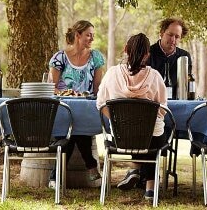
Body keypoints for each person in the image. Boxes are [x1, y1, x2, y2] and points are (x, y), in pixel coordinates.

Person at [96, 33, 168, 201]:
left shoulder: (112, 74)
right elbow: (163, 109)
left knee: (137, 134)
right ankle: (150, 188)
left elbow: (100, 104)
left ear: (125, 50)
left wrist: (117, 122)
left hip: (121, 138)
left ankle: (134, 169)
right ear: (147, 54)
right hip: (151, 139)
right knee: (153, 133)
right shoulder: (155, 76)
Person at [47, 20, 105, 188]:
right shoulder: (59, 58)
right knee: (72, 130)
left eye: (93, 35)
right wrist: (69, 94)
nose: (91, 39)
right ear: (77, 35)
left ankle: (55, 177)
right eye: (88, 35)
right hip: (63, 107)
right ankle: (91, 165)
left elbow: (97, 87)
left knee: (70, 133)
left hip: (87, 108)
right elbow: (53, 87)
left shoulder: (96, 57)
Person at [147, 17, 192, 100]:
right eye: (170, 35)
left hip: (177, 104)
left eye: (177, 37)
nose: (173, 40)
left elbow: (187, 85)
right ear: (161, 33)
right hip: (152, 103)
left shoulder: (184, 56)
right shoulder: (147, 53)